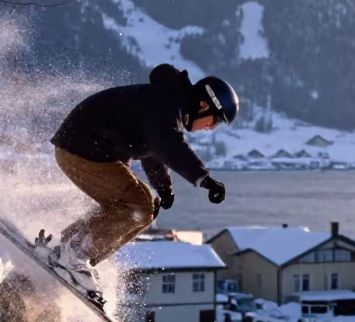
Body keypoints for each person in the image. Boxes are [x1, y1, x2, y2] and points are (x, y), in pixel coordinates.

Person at [42, 63, 239, 305]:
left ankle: (68, 250)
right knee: (138, 206)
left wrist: (164, 188)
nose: (211, 128)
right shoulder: (166, 106)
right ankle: (73, 257)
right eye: (215, 121)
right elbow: (170, 147)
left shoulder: (166, 105)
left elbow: (155, 152)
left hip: (83, 149)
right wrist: (205, 179)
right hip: (81, 150)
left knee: (142, 210)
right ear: (204, 105)